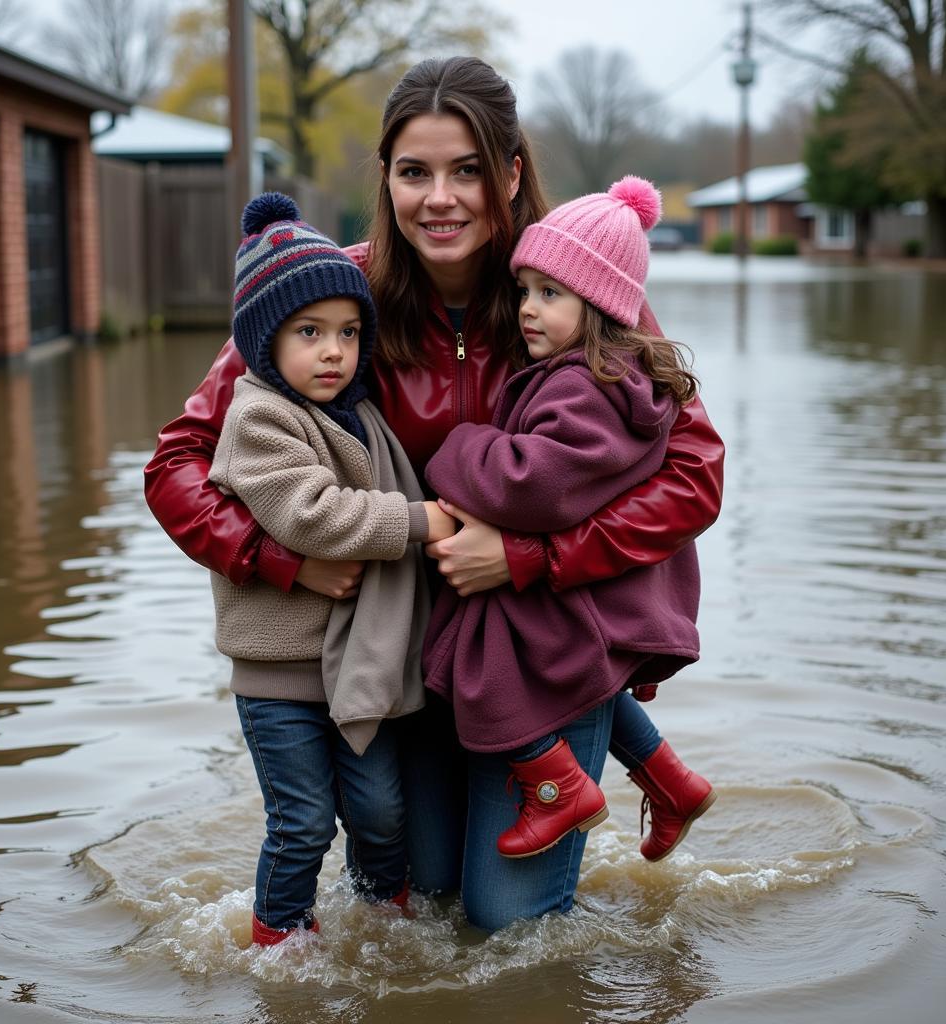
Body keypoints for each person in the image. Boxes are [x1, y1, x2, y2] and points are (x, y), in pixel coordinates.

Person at [144, 56, 725, 931]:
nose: (440, 198)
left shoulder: (574, 292)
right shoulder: (328, 298)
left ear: (512, 174)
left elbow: (695, 475)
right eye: (415, 172)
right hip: (409, 650)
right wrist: (282, 559)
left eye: (467, 171)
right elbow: (178, 462)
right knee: (410, 908)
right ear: (386, 178)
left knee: (504, 925)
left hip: (548, 648)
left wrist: (535, 555)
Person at [423, 176, 717, 861]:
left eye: (549, 295)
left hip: (583, 585)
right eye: (523, 291)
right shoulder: (608, 372)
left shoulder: (586, 385)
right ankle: (669, 779)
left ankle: (555, 783)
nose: (527, 310)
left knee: (475, 655)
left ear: (604, 306)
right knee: (558, 661)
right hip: (600, 590)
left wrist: (460, 448)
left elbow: (530, 485)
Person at [208, 192, 456, 946]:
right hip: (278, 669)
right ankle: (280, 937)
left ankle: (383, 916)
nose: (333, 352)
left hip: (357, 661)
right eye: (309, 333)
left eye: (349, 333)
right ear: (263, 341)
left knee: (381, 811)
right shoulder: (259, 416)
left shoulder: (361, 412)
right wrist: (419, 521)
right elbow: (309, 514)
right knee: (304, 818)